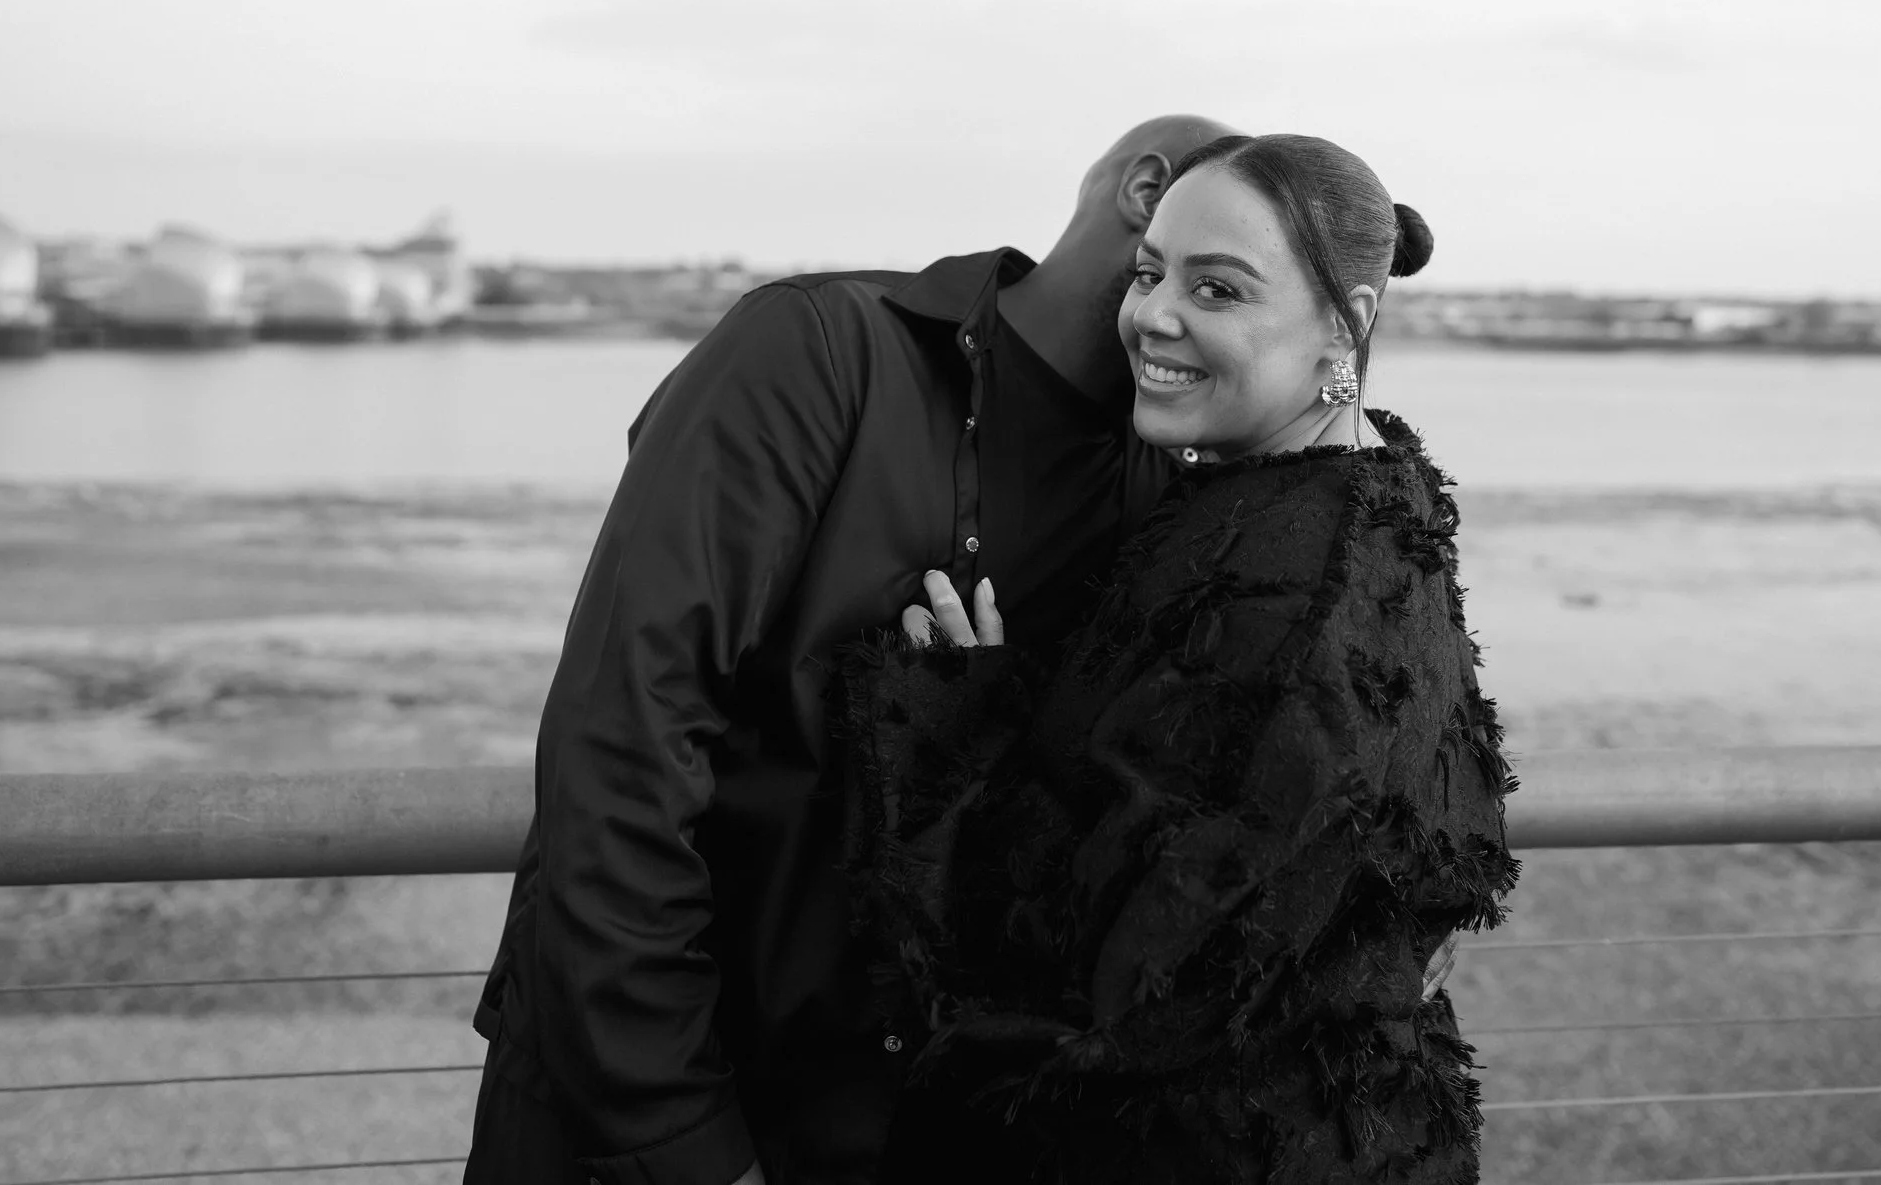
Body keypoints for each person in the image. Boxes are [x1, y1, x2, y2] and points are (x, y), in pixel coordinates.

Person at [462, 114, 1239, 1185]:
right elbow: (623, 737)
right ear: (1149, 192)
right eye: (1223, 278)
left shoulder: (1178, 487)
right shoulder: (818, 349)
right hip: (658, 1112)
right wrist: (674, 1134)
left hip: (924, 1128)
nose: (1210, 321)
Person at [847, 134, 1517, 1184]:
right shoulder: (1367, 490)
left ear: (1348, 323)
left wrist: (951, 719)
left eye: (1219, 288)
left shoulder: (1285, 578)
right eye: (1149, 270)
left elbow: (1096, 966)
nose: (1154, 313)